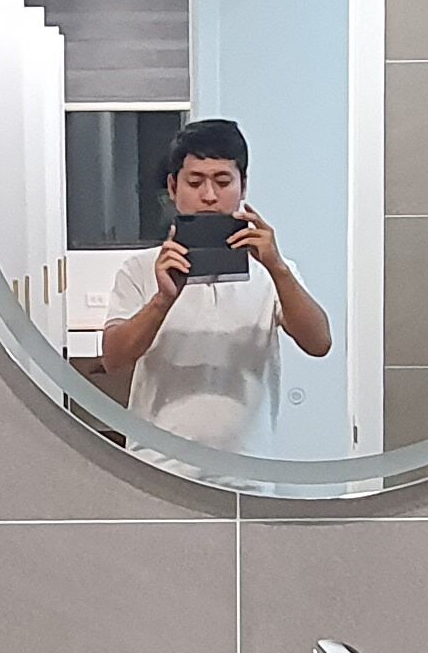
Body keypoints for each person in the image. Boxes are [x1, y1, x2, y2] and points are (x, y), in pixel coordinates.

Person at [94, 117, 331, 446]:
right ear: (173, 187)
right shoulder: (140, 268)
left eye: (223, 181)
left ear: (243, 187)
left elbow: (319, 343)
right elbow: (113, 359)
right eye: (195, 182)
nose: (209, 196)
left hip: (247, 466)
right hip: (158, 463)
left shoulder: (271, 271)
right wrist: (162, 300)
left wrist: (277, 267)